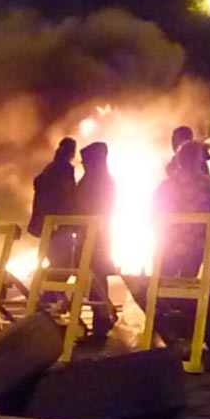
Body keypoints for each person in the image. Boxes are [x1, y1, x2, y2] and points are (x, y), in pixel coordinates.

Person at [150, 138, 210, 351]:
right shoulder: (209, 186)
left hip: (168, 247)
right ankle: (200, 331)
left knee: (164, 288)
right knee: (189, 287)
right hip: (195, 248)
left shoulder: (166, 186)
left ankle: (173, 330)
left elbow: (153, 213)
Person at [75, 140, 117, 341]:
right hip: (99, 235)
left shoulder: (95, 181)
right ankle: (104, 318)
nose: (83, 165)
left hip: (94, 237)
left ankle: (101, 323)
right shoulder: (103, 179)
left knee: (96, 278)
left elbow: (81, 204)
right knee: (96, 279)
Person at [28, 136, 77, 238]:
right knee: (62, 252)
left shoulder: (49, 169)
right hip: (58, 224)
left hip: (46, 224)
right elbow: (69, 195)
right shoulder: (66, 169)